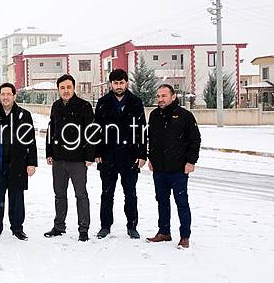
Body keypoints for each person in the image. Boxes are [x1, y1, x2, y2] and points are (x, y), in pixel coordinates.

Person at [0, 83, 37, 241]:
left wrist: (31, 162)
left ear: (14, 96)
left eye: (8, 94)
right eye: (2, 94)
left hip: (17, 164)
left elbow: (30, 141)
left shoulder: (24, 115)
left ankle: (17, 228)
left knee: (16, 198)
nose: (5, 97)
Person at [146, 84, 201, 249]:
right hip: (159, 169)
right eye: (158, 96)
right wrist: (151, 158)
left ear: (173, 96)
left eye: (163, 96)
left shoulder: (185, 115)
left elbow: (195, 140)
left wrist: (191, 161)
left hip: (179, 169)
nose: (160, 99)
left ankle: (185, 236)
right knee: (162, 201)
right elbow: (152, 140)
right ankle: (164, 232)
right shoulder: (154, 115)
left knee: (181, 202)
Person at [94, 69, 147, 240]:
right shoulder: (102, 103)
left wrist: (142, 155)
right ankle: (105, 226)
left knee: (130, 193)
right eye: (115, 83)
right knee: (106, 193)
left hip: (129, 156)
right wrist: (97, 152)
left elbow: (141, 130)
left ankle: (132, 226)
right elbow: (96, 130)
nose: (118, 86)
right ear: (111, 84)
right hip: (108, 156)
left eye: (121, 83)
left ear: (126, 83)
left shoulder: (136, 103)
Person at [43, 74, 96, 242]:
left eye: (68, 87)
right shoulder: (56, 106)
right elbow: (52, 130)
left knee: (81, 195)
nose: (66, 91)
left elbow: (91, 132)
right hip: (59, 159)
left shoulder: (84, 106)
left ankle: (83, 229)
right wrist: (49, 152)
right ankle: (59, 226)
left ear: (74, 88)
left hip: (78, 159)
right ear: (58, 89)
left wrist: (90, 156)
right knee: (59, 194)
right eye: (62, 88)